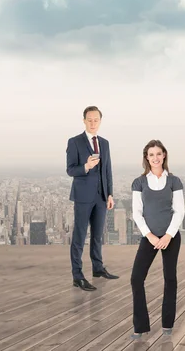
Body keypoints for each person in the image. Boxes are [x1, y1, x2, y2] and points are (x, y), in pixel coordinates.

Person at [130, 140, 185, 339]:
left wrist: (168, 235)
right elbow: (136, 213)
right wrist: (150, 236)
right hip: (149, 237)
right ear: (146, 157)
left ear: (164, 156)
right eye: (151, 154)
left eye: (158, 154)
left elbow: (179, 211)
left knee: (170, 279)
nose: (155, 158)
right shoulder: (139, 182)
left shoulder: (174, 181)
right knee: (136, 278)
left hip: (171, 237)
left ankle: (167, 325)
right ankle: (140, 326)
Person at [66, 105, 118, 291]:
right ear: (84, 120)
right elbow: (70, 169)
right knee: (79, 236)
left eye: (96, 119)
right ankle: (77, 276)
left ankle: (97, 268)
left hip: (101, 196)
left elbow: (108, 170)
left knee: (97, 235)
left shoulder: (104, 143)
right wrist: (86, 166)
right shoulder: (75, 142)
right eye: (90, 119)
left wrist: (110, 193)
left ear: (100, 121)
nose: (93, 123)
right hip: (83, 196)